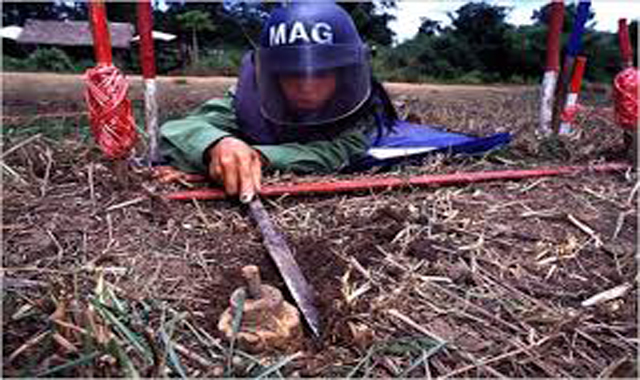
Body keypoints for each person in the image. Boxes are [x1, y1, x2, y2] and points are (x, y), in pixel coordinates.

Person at [159, 1, 397, 202]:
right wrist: (217, 145)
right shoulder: (249, 102)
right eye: (292, 73)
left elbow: (339, 151)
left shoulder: (360, 108)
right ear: (272, 75)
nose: (306, 86)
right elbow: (181, 129)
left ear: (343, 73)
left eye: (322, 73)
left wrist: (258, 157)